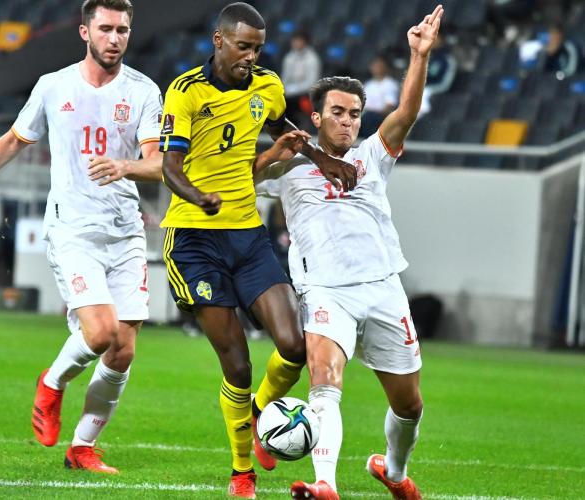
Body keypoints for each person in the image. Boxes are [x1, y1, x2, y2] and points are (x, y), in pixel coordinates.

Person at [0, 0, 163, 474]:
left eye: (123, 30)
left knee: (123, 349)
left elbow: (157, 163)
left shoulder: (144, 90)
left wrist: (125, 166)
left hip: (125, 231)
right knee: (100, 333)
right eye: (105, 28)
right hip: (72, 229)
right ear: (85, 32)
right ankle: (52, 383)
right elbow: (14, 139)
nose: (115, 38)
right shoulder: (53, 86)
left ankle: (82, 448)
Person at [158, 2, 356, 498]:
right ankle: (242, 471)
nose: (251, 56)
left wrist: (323, 160)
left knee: (293, 345)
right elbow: (169, 167)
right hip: (194, 240)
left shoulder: (266, 85)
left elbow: (282, 130)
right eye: (243, 46)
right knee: (238, 365)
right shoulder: (185, 91)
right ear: (219, 40)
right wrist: (198, 196)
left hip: (247, 236)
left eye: (258, 48)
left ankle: (259, 414)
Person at [254, 5, 444, 499]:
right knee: (324, 380)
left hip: (382, 288)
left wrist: (419, 55)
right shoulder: (290, 165)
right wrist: (270, 155)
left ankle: (394, 472)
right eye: (337, 112)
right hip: (324, 291)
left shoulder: (372, 155)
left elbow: (405, 113)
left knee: (409, 404)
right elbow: (238, 178)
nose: (346, 121)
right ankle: (325, 484)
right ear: (316, 116)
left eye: (354, 114)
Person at [281, 30, 321, 129]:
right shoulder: (289, 58)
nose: (296, 43)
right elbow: (285, 78)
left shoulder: (312, 59)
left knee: (291, 102)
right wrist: (285, 89)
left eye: (299, 40)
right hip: (289, 92)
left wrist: (294, 89)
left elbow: (311, 82)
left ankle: (296, 127)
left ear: (305, 42)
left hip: (306, 93)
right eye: (295, 40)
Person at [360, 55, 399, 139]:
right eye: (375, 65)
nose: (377, 68)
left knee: (369, 117)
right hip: (364, 114)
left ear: (386, 68)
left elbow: (389, 106)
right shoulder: (368, 84)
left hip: (380, 117)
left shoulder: (390, 84)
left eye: (380, 66)